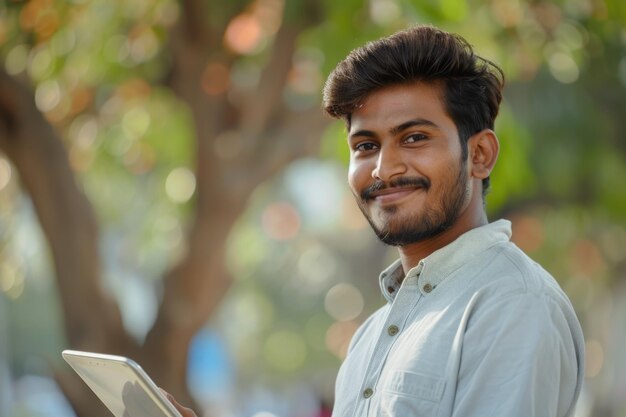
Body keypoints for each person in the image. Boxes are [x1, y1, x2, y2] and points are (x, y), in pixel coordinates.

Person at [165, 25, 585, 417]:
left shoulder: (513, 305)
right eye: (365, 145)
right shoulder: (373, 335)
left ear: (479, 155)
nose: (384, 169)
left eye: (414, 137)